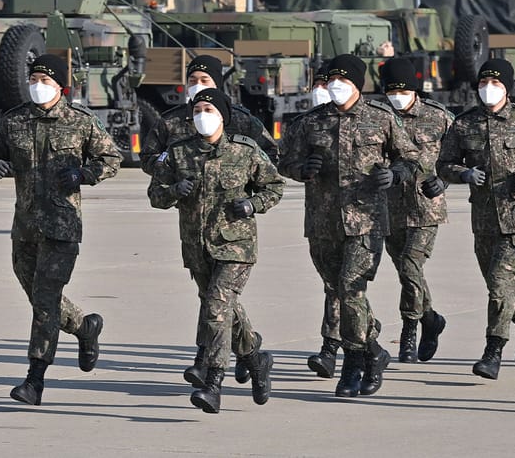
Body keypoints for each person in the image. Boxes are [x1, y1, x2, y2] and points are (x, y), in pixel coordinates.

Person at [0, 54, 122, 406]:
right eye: (34, 80)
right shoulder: (14, 122)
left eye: (45, 81)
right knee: (38, 296)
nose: (38, 86)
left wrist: (84, 174)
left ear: (61, 85)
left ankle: (34, 378)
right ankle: (84, 327)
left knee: (44, 301)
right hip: (25, 227)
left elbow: (111, 158)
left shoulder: (80, 122)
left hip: (62, 227)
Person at [277, 54, 421, 398]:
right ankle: (375, 350)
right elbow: (282, 160)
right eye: (330, 81)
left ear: (359, 84)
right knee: (339, 290)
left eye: (343, 80)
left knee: (350, 288)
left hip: (366, 222)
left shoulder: (381, 118)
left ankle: (354, 363)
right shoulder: (310, 122)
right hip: (323, 223)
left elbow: (411, 158)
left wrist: (396, 173)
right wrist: (302, 169)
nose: (335, 86)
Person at [140, 54, 276, 386]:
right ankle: (252, 355)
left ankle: (210, 370)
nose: (197, 88)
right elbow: (151, 165)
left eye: (204, 80)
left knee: (218, 300)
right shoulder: (172, 123)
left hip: (233, 233)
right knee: (215, 299)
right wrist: (172, 180)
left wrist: (250, 198)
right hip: (194, 228)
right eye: (192, 80)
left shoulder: (241, 123)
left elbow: (269, 160)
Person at [436, 58, 515, 380]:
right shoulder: (464, 124)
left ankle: (493, 350)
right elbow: (444, 163)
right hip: (484, 217)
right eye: (484, 84)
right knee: (496, 282)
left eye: (496, 84)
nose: (489, 90)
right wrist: (464, 173)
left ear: (508, 88)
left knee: (499, 282)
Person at [379, 57, 451, 363]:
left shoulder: (439, 118)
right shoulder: (378, 117)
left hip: (425, 206)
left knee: (410, 266)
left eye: (403, 90)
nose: (397, 95)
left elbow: (460, 154)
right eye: (391, 90)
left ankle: (409, 330)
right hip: (389, 207)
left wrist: (444, 179)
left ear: (414, 90)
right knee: (408, 273)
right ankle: (430, 318)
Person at [139, 54, 279, 175]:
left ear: (216, 84)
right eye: (192, 81)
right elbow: (148, 157)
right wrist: (173, 173)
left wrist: (247, 176)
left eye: (204, 80)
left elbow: (270, 152)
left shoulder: (241, 119)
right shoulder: (170, 121)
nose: (197, 85)